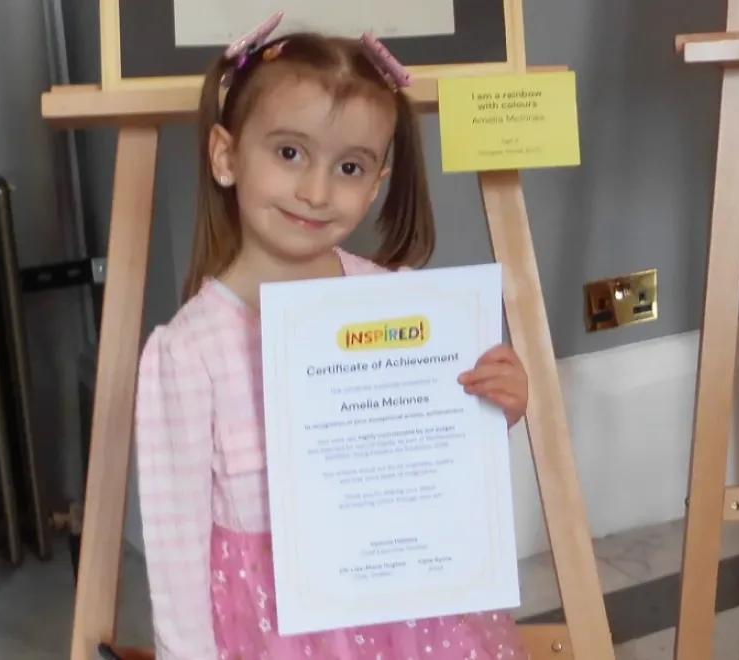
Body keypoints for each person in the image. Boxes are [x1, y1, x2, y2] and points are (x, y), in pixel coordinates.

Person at [135, 14, 531, 659]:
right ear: (226, 156)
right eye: (289, 153)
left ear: (375, 186)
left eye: (349, 167)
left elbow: (434, 446)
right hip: (276, 632)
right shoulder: (189, 352)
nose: (316, 192)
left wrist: (498, 406)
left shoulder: (399, 306)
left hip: (404, 611)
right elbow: (174, 548)